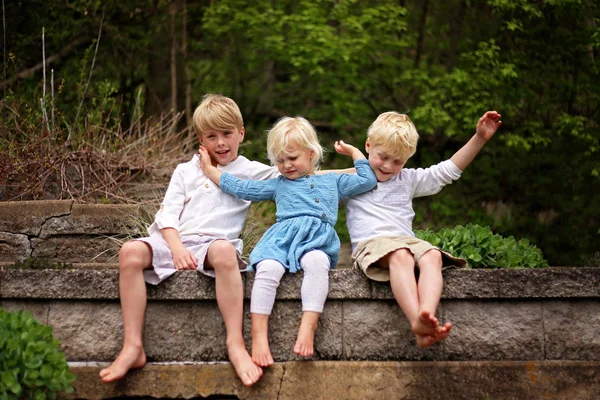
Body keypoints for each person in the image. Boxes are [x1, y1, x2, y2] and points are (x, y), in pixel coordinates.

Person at [99, 94, 280, 386]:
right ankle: (133, 345)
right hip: (176, 242)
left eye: (227, 134)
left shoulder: (249, 171)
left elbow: (297, 173)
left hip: (214, 246)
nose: (220, 143)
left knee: (223, 251)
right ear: (200, 139)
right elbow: (167, 216)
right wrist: (176, 248)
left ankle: (235, 343)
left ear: (241, 133)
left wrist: (360, 171)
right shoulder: (186, 171)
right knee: (130, 252)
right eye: (211, 136)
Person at [198, 116, 376, 367]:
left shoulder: (332, 182)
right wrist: (209, 169)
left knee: (317, 262)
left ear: (312, 154)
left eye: (292, 158)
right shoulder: (277, 185)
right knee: (268, 267)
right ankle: (259, 335)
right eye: (280, 160)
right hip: (281, 239)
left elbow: (367, 180)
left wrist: (355, 152)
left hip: (316, 240)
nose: (286, 165)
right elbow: (241, 187)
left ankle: (308, 325)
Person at [346, 111, 502, 348]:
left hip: (405, 242)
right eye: (383, 157)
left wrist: (479, 138)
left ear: (407, 160)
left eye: (398, 161)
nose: (388, 166)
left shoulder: (408, 180)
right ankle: (415, 321)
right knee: (401, 255)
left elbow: (447, 171)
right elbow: (308, 183)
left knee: (432, 255)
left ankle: (426, 315)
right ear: (368, 145)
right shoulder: (350, 179)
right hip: (372, 246)